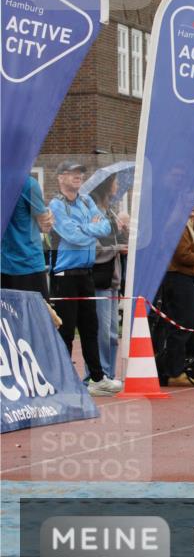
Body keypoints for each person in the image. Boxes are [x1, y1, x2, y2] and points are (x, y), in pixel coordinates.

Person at [48, 161, 122, 396]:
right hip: (64, 273)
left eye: (80, 173)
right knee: (66, 329)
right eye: (72, 173)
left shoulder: (86, 201)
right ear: (60, 177)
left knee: (90, 327)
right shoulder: (56, 204)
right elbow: (72, 235)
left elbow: (105, 228)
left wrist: (87, 229)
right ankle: (61, 380)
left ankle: (97, 378)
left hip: (86, 272)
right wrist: (90, 228)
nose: (78, 176)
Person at [156, 197, 194, 386]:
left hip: (189, 279)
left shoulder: (188, 225)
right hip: (178, 278)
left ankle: (184, 365)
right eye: (191, 202)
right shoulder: (177, 225)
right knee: (181, 326)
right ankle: (173, 372)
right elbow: (182, 256)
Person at [88, 175, 129, 381]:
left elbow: (120, 241)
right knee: (101, 332)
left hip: (114, 278)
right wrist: (116, 248)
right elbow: (92, 249)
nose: (118, 185)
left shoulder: (110, 212)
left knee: (113, 333)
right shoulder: (94, 213)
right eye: (115, 182)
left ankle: (110, 374)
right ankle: (98, 374)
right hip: (100, 279)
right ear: (106, 186)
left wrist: (124, 231)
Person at [1, 174, 53, 300]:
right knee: (38, 318)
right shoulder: (27, 183)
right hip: (28, 265)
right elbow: (46, 225)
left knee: (7, 318)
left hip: (4, 266)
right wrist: (49, 216)